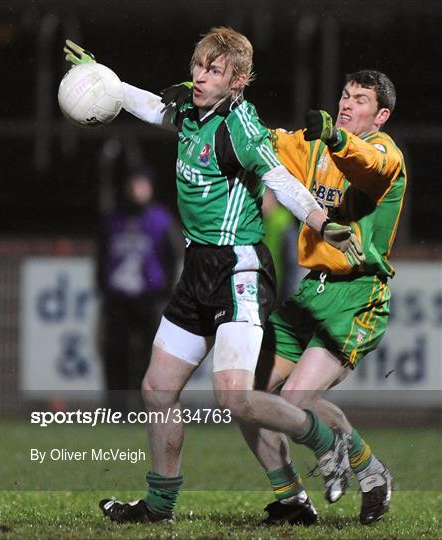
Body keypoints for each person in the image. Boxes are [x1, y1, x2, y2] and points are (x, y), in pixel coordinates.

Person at [63, 28, 364, 525]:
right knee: (157, 389)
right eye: (198, 65)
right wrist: (102, 80)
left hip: (238, 269)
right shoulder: (189, 110)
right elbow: (144, 104)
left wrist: (321, 222)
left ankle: (325, 441)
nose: (200, 76)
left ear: (239, 82)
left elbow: (279, 179)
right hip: (197, 268)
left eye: (214, 70)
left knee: (235, 399)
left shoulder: (240, 127)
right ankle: (163, 506)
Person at [239, 70, 406, 526]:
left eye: (361, 100)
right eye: (345, 96)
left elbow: (368, 166)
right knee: (243, 397)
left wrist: (335, 135)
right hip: (310, 291)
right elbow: (258, 138)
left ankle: (368, 466)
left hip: (358, 294)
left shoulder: (384, 154)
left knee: (297, 399)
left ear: (381, 115)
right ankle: (291, 499)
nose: (349, 104)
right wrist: (211, 106)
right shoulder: (313, 146)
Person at [97, 167, 182, 413]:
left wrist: (164, 290)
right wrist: (104, 286)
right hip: (118, 300)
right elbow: (102, 255)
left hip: (150, 300)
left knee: (149, 357)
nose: (137, 189)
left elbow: (171, 256)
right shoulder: (113, 219)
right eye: (134, 184)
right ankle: (116, 409)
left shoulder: (160, 219)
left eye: (142, 184)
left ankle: (146, 409)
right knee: (115, 354)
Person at [262, 186, 300, 304]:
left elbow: (292, 260)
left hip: (281, 282)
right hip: (268, 280)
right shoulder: (261, 220)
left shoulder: (283, 220)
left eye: (264, 197)